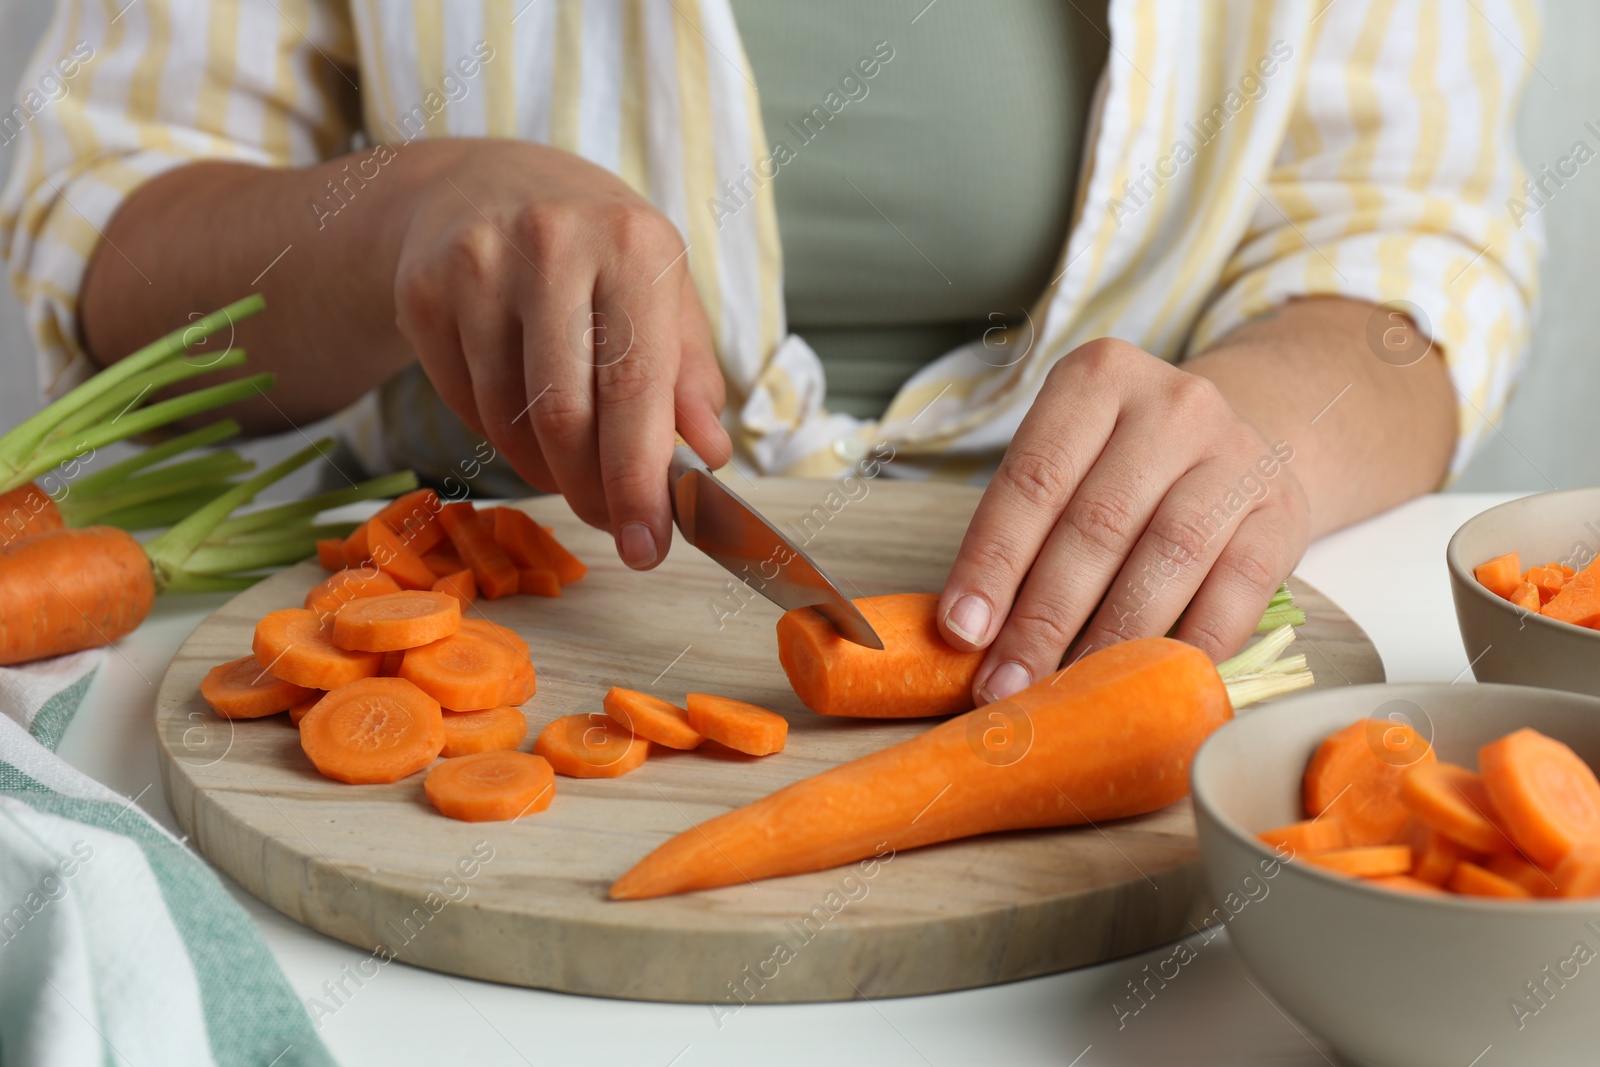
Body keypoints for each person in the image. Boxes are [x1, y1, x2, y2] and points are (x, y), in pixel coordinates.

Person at [1, 1, 1541, 704]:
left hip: (1112, 648)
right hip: (458, 574)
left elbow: (1414, 241)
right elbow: (95, 231)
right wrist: (397, 213)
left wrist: (1263, 428)